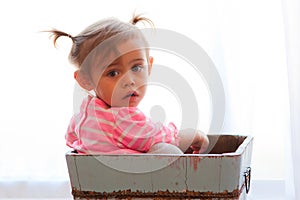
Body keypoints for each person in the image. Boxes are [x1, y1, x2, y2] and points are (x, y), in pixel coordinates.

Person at [48, 14, 209, 154]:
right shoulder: (119, 117)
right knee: (168, 150)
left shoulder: (84, 113)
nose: (129, 81)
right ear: (86, 80)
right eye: (113, 73)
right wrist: (191, 135)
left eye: (137, 67)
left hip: (101, 179)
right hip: (134, 184)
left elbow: (71, 137)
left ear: (149, 66)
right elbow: (156, 137)